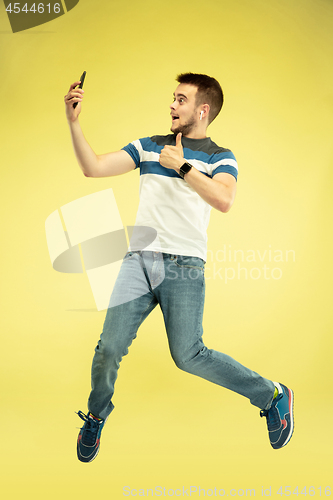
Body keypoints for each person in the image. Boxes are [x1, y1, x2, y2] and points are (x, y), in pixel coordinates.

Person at [64, 73, 294, 463]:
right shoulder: (150, 146)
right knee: (109, 349)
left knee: (188, 355)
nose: (171, 105)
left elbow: (224, 200)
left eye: (180, 100)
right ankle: (96, 417)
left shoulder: (220, 156)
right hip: (139, 261)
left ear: (202, 110)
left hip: (185, 266)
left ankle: (272, 395)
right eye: (172, 98)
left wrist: (184, 166)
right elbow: (94, 167)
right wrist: (74, 123)